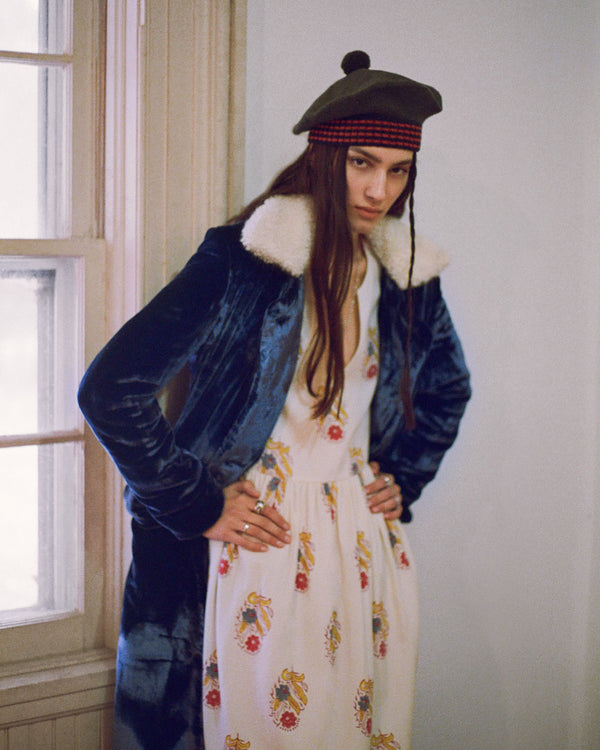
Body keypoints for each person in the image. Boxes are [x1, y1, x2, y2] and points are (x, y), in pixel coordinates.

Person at [79, 50, 470, 750]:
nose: (379, 188)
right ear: (324, 157)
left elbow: (446, 386)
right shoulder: (246, 260)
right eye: (361, 162)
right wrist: (195, 501)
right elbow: (112, 388)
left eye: (398, 169)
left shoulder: (404, 272)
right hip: (251, 547)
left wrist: (403, 475)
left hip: (357, 546)